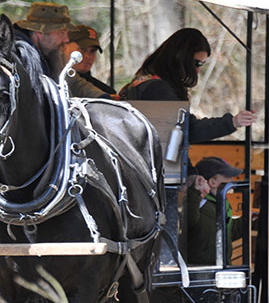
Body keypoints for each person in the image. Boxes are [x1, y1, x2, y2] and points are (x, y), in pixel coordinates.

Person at [118, 28, 257, 143]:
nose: (197, 70)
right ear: (181, 57)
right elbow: (187, 130)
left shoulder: (143, 80)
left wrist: (191, 173)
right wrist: (232, 122)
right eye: (197, 63)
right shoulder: (158, 89)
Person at [186, 157, 244, 265]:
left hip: (221, 269)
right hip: (200, 272)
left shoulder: (222, 202)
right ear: (212, 181)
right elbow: (189, 219)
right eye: (227, 177)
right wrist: (195, 193)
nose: (231, 181)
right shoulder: (197, 204)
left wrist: (249, 221)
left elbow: (227, 231)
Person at [14, 2, 77, 77]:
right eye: (61, 33)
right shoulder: (19, 56)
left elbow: (71, 81)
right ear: (40, 32)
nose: (66, 39)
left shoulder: (51, 53)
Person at [61, 24, 115, 98]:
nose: (88, 56)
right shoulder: (53, 82)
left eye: (93, 51)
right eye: (82, 49)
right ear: (64, 47)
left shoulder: (105, 92)